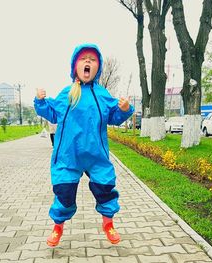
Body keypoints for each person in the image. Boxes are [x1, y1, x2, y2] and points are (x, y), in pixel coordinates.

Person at [34, 43, 134, 247]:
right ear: (75, 66)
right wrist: (40, 101)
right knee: (64, 192)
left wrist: (124, 109)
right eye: (83, 58)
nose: (88, 61)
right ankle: (57, 226)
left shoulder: (102, 94)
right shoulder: (67, 93)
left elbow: (114, 116)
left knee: (105, 187)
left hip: (96, 156)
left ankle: (108, 224)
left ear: (98, 67)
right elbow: (51, 112)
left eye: (92, 59)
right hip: (68, 157)